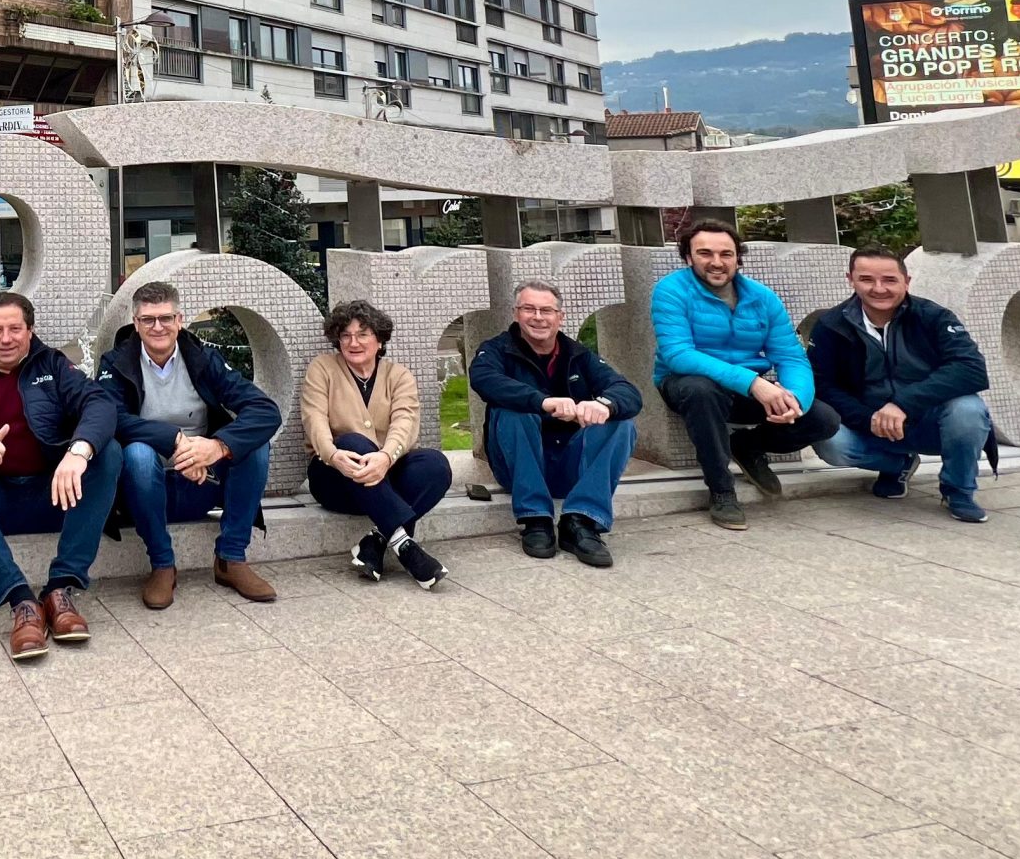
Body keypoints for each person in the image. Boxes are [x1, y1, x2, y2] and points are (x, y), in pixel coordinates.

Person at [0, 289, 123, 660]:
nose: (5, 338)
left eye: (15, 328)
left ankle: (60, 589)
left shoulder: (54, 366)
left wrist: (78, 452)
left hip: (52, 494)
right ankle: (21, 602)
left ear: (30, 331)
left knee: (107, 453)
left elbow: (99, 403)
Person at [97, 280, 282, 607]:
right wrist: (176, 442)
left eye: (166, 318)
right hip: (145, 489)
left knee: (254, 445)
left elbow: (265, 411)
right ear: (136, 324)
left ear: (180, 320)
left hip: (203, 482)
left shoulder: (203, 360)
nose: (158, 327)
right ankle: (162, 565)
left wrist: (216, 447)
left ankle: (231, 558)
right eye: (148, 320)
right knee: (137, 454)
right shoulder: (116, 363)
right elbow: (111, 419)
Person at [651, 219, 840, 530]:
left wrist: (794, 398)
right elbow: (678, 354)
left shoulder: (761, 297)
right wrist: (753, 383)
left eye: (726, 254)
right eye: (705, 253)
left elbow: (791, 355)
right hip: (686, 382)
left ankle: (748, 446)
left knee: (823, 419)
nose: (716, 262)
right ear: (688, 257)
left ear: (738, 258)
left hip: (747, 388)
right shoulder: (671, 290)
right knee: (701, 390)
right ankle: (722, 490)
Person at [807, 246, 995, 523]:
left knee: (968, 410)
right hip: (872, 424)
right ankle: (898, 464)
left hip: (930, 421)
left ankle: (958, 490)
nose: (879, 288)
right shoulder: (832, 325)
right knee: (829, 439)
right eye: (867, 279)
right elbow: (822, 384)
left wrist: (902, 404)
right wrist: (867, 418)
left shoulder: (933, 317)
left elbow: (972, 369)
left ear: (907, 281)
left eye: (890, 280)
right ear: (851, 279)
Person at [469, 282, 642, 567]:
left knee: (620, 422)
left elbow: (627, 392)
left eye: (546, 310)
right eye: (529, 309)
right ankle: (535, 519)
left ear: (560, 317)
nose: (538, 316)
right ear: (516, 314)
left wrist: (602, 404)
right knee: (513, 412)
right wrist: (542, 402)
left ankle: (581, 521)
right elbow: (485, 381)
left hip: (567, 464)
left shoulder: (579, 355)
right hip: (516, 465)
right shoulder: (496, 349)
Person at [300, 299, 453, 587]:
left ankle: (376, 542)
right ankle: (407, 549)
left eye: (363, 334)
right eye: (345, 335)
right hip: (335, 476)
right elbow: (314, 420)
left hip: (383, 474)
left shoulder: (399, 376)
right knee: (354, 443)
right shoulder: (322, 368)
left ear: (380, 340)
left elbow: (405, 424)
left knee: (435, 465)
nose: (353, 342)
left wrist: (385, 457)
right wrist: (333, 455)